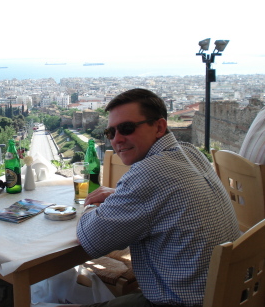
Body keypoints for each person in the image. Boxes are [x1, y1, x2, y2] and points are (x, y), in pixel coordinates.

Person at [73, 89, 240, 307]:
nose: (117, 140)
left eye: (127, 128)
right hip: (231, 293)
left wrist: (91, 205)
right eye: (110, 133)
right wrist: (119, 196)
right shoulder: (191, 153)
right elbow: (165, 198)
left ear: (159, 127)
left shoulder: (149, 172)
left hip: (182, 301)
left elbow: (91, 238)